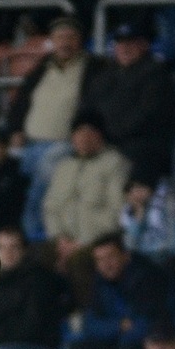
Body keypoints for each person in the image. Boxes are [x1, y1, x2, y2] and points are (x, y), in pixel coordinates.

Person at [5, 15, 107, 242]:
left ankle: (34, 239)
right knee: (5, 176)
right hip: (29, 144)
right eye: (59, 37)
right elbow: (20, 102)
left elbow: (94, 110)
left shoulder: (93, 68)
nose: (65, 42)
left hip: (64, 145)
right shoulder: (43, 67)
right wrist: (15, 131)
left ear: (81, 40)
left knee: (40, 181)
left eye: (70, 37)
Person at [63, 231, 173, 349]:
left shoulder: (146, 278)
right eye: (100, 260)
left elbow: (147, 324)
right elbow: (90, 325)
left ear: (125, 256)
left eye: (111, 257)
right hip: (116, 343)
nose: (106, 264)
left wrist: (115, 328)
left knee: (128, 344)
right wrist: (118, 326)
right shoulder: (100, 283)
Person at [77, 17, 175, 185]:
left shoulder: (157, 75)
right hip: (103, 141)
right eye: (120, 43)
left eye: (131, 43)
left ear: (144, 45)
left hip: (140, 145)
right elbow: (87, 107)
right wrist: (86, 132)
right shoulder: (105, 74)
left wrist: (104, 137)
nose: (125, 48)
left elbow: (147, 117)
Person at [42, 113, 131, 300]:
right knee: (35, 257)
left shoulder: (115, 164)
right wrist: (60, 239)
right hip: (63, 240)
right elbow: (51, 207)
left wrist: (81, 242)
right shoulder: (64, 167)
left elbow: (118, 212)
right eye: (79, 132)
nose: (84, 138)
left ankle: (86, 313)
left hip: (97, 241)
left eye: (90, 132)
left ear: (100, 135)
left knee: (80, 261)